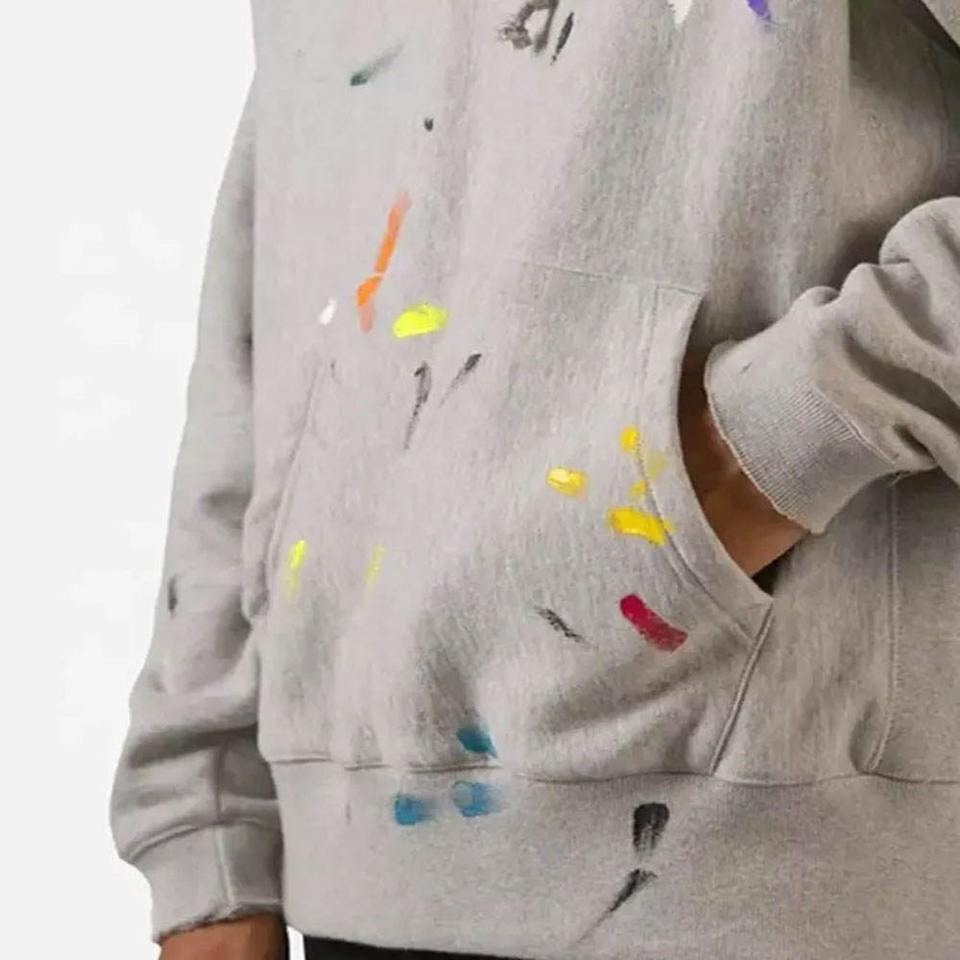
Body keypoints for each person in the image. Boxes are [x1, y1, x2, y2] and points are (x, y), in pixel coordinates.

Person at [111, 1, 960, 957]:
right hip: (341, 864)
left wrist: (775, 438)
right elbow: (280, 273)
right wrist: (207, 826)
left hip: (751, 849)